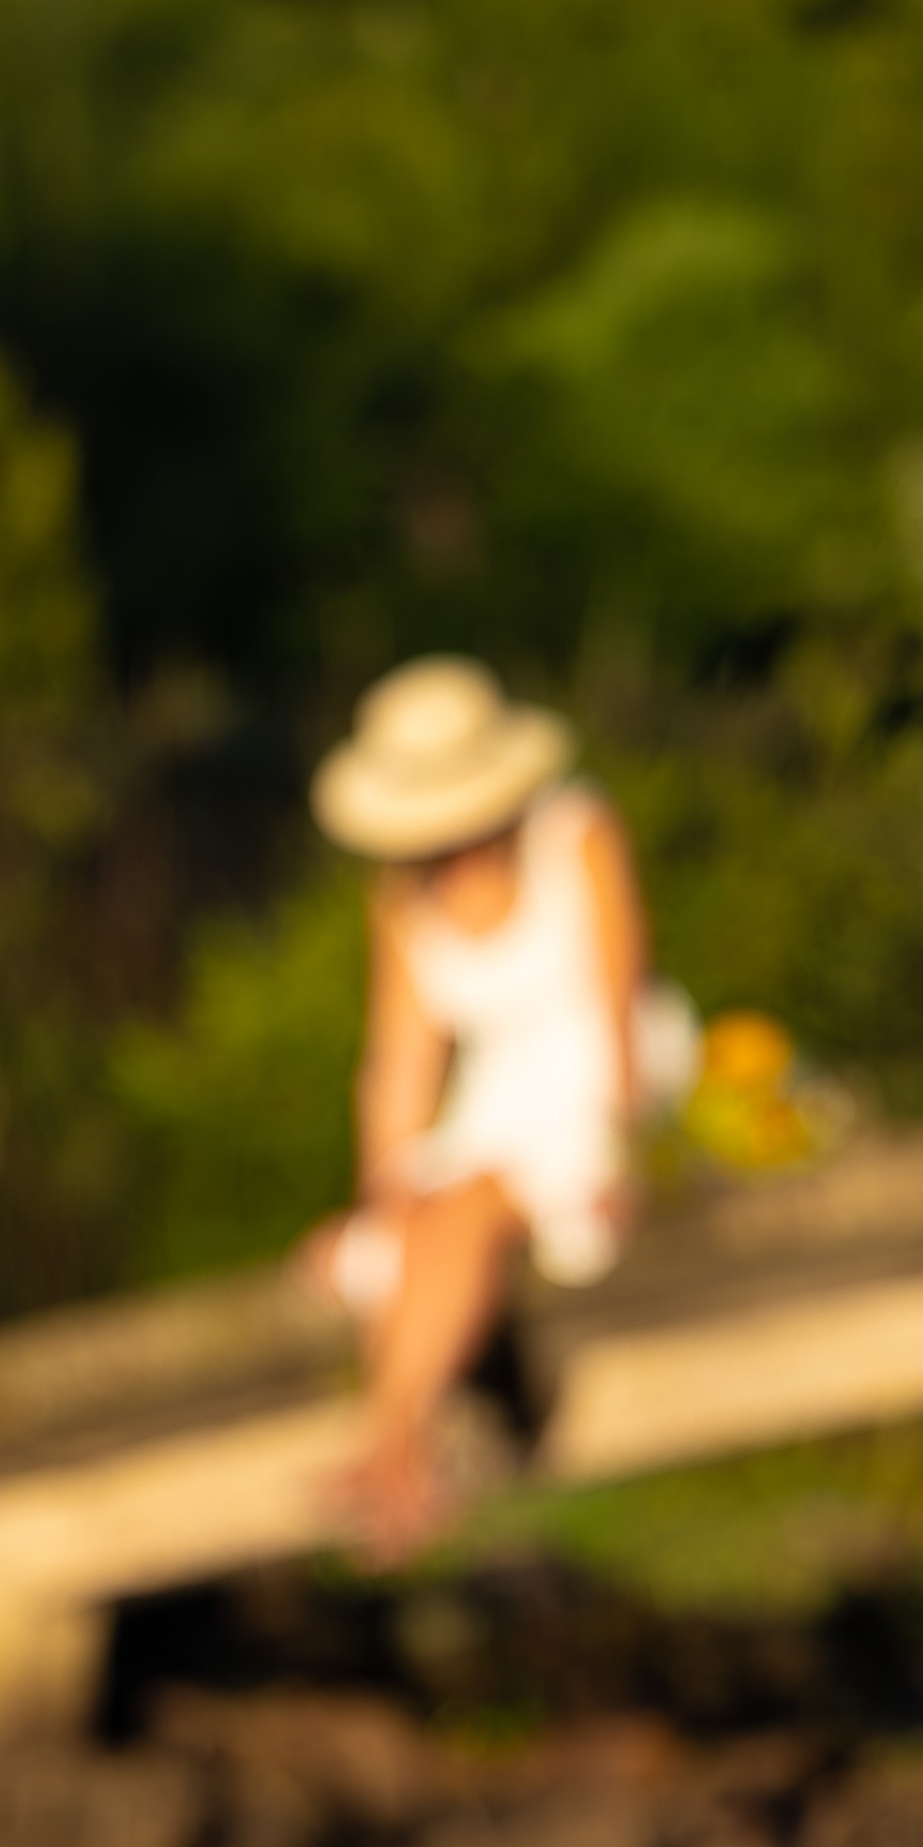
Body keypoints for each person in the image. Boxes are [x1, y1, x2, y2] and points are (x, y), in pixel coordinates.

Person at [305, 655, 694, 1563]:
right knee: (417, 1216)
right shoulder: (400, 902)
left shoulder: (577, 833)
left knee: (471, 1202)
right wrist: (381, 1198)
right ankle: (400, 1459)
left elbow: (619, 993)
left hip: (600, 1080)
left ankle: (390, 1452)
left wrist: (624, 1143)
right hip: (494, 1103)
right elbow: (400, 1067)